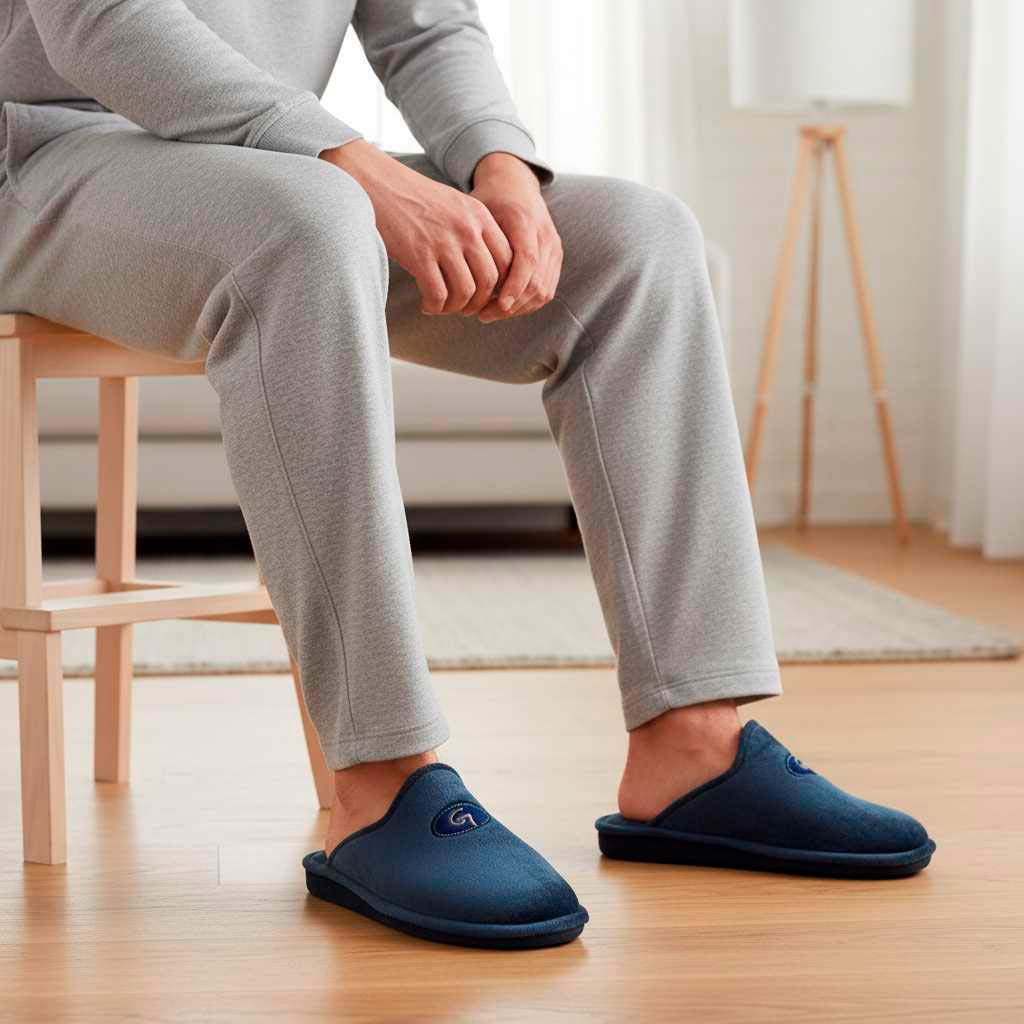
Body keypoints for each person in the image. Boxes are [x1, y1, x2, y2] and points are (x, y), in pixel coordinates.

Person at [0, 0, 934, 949]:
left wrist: (502, 167)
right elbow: (102, 18)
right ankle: (380, 784)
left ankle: (693, 748)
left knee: (639, 240)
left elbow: (427, 24)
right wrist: (357, 167)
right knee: (313, 224)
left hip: (276, 163)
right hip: (46, 154)